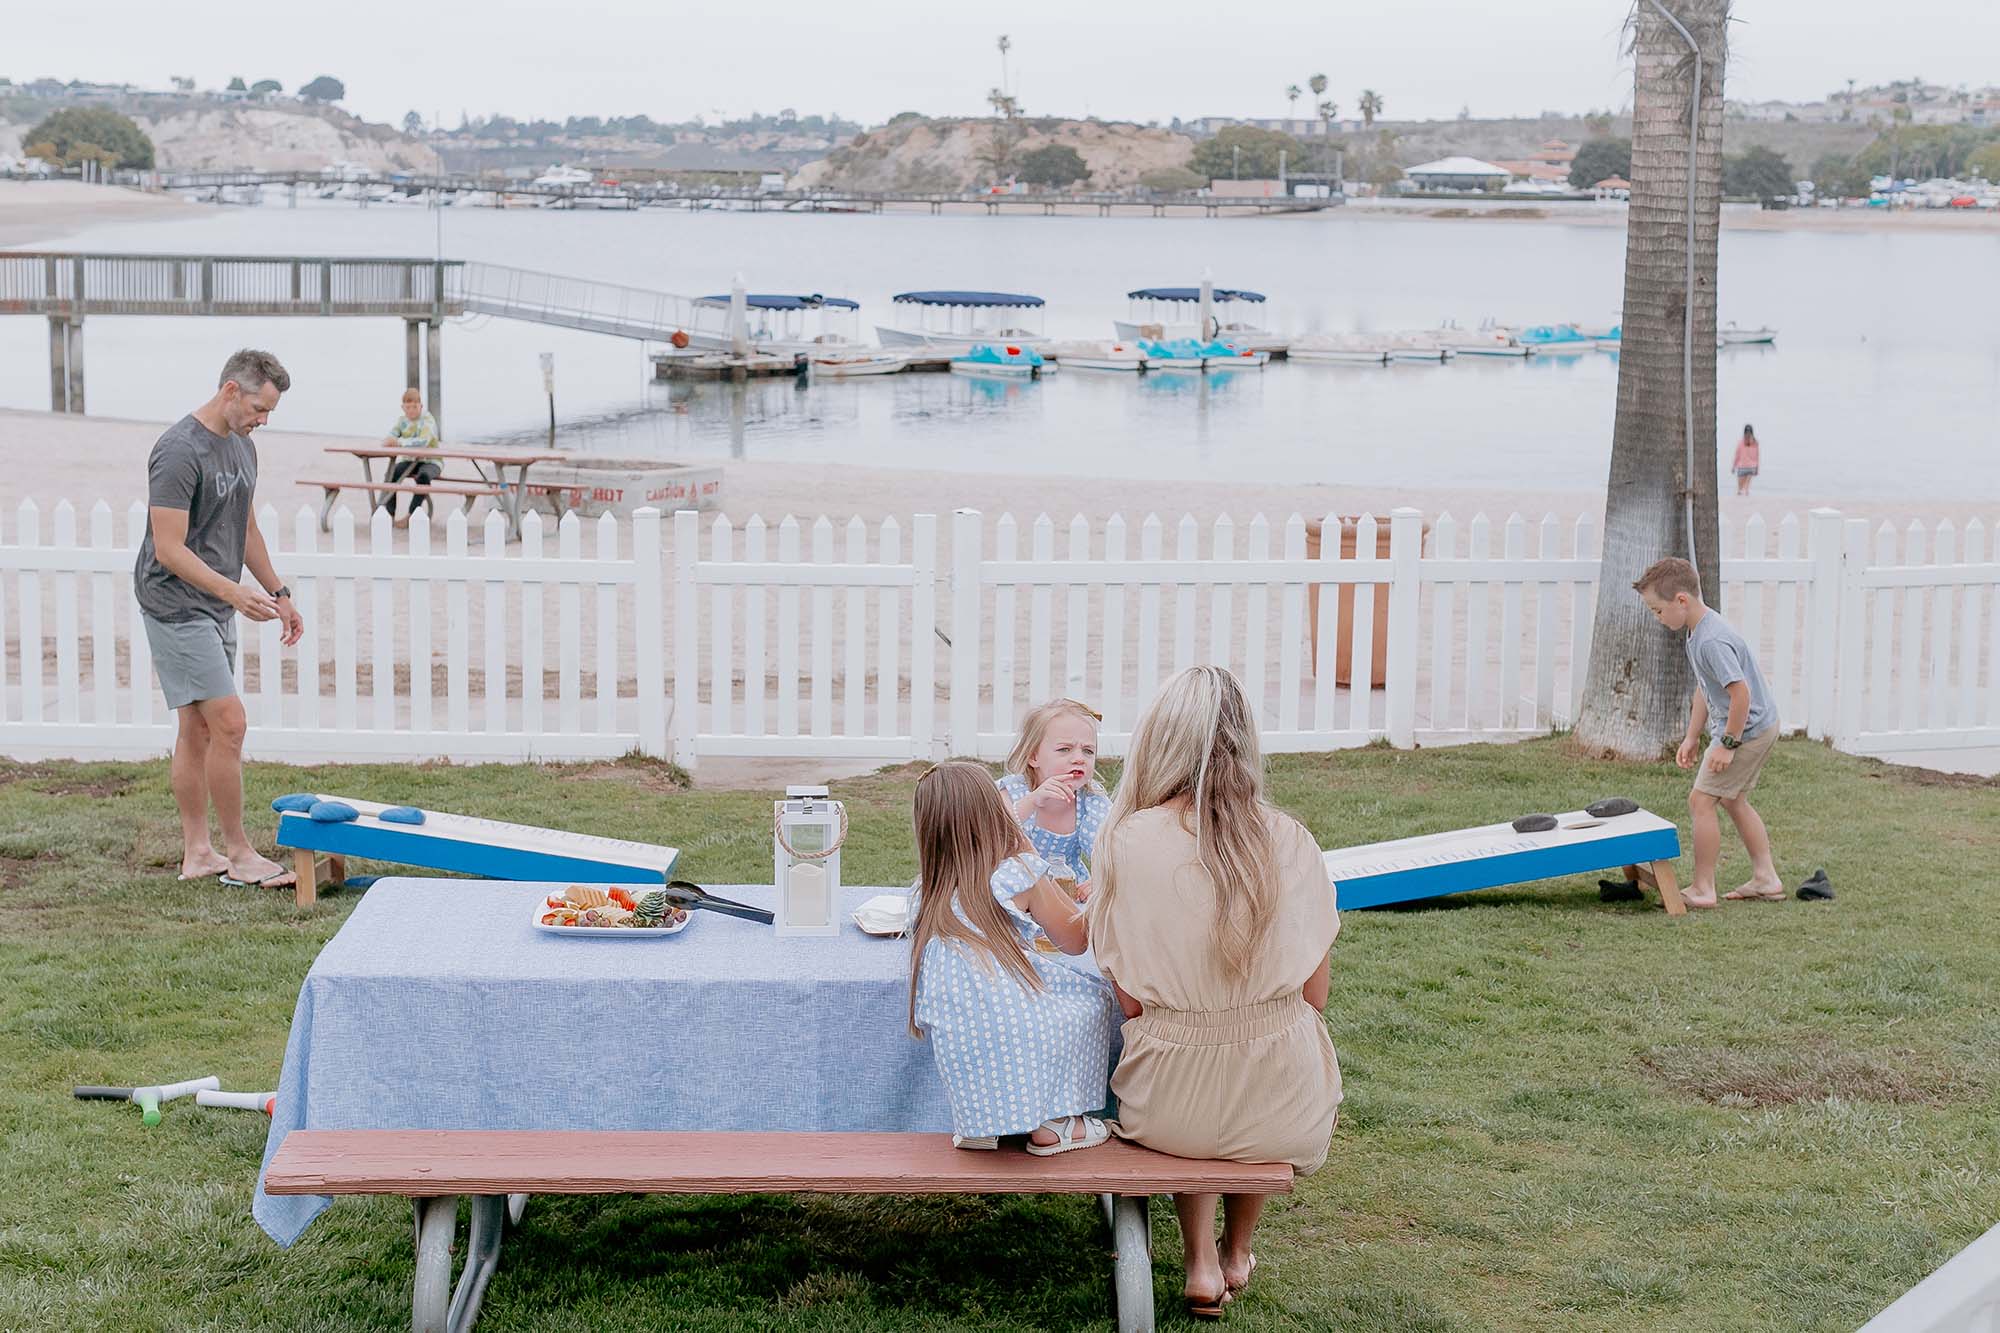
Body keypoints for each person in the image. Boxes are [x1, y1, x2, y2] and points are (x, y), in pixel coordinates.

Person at [1088, 665, 1341, 1319]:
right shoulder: (1293, 840)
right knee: (1267, 1049)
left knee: (1190, 1061)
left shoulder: (1125, 841)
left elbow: (1132, 1005)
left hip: (1169, 1104)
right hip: (1285, 1099)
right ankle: (1238, 1249)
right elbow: (1315, 994)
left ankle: (1199, 1257)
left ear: (1159, 742)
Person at [134, 349, 304, 889]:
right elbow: (169, 549)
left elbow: (245, 529)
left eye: (269, 411)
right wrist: (235, 593)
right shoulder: (179, 451)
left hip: (211, 601)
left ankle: (198, 854)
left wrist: (278, 592)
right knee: (230, 722)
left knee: (198, 726)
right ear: (231, 390)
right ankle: (238, 851)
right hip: (174, 602)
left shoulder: (243, 447)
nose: (263, 420)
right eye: (258, 407)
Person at [907, 760, 1118, 1155]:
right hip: (1019, 1022)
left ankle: (984, 1124)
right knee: (1092, 1002)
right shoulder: (1016, 871)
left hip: (962, 1037)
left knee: (987, 1028)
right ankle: (1053, 1122)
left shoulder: (924, 892)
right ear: (994, 814)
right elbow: (1074, 940)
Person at [1634, 556, 1786, 908]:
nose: (1657, 618)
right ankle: (1766, 878)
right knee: (1732, 799)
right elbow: (1706, 688)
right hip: (1756, 725)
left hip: (1747, 729)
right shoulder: (1697, 630)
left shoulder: (1710, 640)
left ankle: (1703, 888)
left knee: (1701, 800)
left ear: (1682, 601)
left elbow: (1740, 694)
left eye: (1658, 611)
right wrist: (1692, 736)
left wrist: (1728, 744)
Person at [996, 698, 1110, 900]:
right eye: (1064, 749)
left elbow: (1115, 851)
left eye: (1088, 750)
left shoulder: (1090, 802)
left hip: (1067, 891)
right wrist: (1032, 801)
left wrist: (1103, 879)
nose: (1079, 758)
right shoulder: (1013, 792)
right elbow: (991, 835)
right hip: (1013, 891)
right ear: (1034, 757)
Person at [382, 387, 442, 527]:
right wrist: (390, 440)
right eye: (408, 407)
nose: (411, 410)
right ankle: (389, 514)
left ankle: (411, 515)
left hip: (431, 461)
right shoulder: (402, 421)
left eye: (414, 407)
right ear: (403, 407)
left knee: (423, 477)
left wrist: (398, 442)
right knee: (391, 474)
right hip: (410, 460)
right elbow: (392, 435)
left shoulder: (428, 419)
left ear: (420, 406)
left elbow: (423, 441)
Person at [1732, 424, 1760, 497]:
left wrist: (1734, 466)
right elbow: (1757, 456)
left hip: (1742, 466)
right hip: (1752, 467)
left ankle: (1740, 500)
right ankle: (1746, 497)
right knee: (1746, 487)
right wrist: (1757, 468)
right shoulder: (1755, 443)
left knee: (1740, 488)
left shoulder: (1741, 443)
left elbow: (1737, 455)